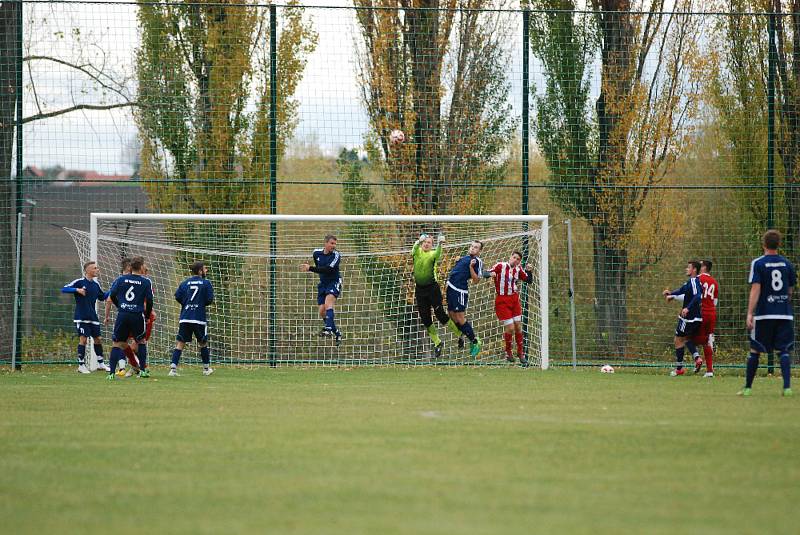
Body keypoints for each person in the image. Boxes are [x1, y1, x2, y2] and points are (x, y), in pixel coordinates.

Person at [739, 230, 796, 397]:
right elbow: (790, 289)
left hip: (764, 314)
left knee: (755, 350)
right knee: (783, 350)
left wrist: (750, 313)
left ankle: (748, 388)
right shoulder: (787, 264)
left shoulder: (758, 263)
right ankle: (787, 388)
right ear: (779, 244)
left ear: (763, 244)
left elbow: (756, 288)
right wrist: (783, 301)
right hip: (784, 314)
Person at [411, 233, 462, 358]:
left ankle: (459, 334)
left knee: (441, 315)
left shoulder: (433, 254)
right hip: (420, 290)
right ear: (422, 243)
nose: (426, 244)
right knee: (425, 319)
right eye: (425, 242)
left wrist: (440, 244)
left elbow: (438, 253)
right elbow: (413, 249)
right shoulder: (417, 252)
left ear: (432, 245)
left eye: (429, 242)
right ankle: (437, 343)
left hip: (432, 289)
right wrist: (418, 241)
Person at [106, 256, 154, 380]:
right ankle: (142, 370)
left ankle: (111, 373)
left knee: (117, 343)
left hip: (123, 314)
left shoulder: (121, 279)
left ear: (131, 267)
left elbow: (112, 295)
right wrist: (147, 316)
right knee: (141, 341)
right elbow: (149, 300)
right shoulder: (146, 282)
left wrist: (120, 306)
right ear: (141, 266)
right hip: (137, 315)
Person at [61, 261, 110, 373]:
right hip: (81, 317)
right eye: (95, 268)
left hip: (93, 317)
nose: (97, 270)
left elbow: (102, 297)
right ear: (88, 270)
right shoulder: (79, 282)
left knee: (98, 339)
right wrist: (76, 290)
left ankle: (101, 364)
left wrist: (114, 289)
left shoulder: (95, 285)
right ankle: (81, 365)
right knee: (83, 339)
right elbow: (64, 288)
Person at [486, 251, 533, 366]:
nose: (515, 260)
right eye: (514, 257)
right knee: (511, 328)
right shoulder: (500, 266)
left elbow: (528, 280)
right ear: (510, 257)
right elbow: (486, 273)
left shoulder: (519, 269)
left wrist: (529, 271)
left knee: (518, 326)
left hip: (514, 300)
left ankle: (521, 353)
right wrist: (489, 274)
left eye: (518, 259)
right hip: (502, 301)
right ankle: (508, 351)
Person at [170, 261, 214, 376]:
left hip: (185, 317)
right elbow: (209, 300)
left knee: (180, 343)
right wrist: (199, 303)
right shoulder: (206, 283)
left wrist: (187, 304)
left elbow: (178, 296)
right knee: (203, 342)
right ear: (200, 271)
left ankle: (173, 369)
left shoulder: (185, 283)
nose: (206, 271)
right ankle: (206, 369)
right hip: (198, 318)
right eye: (205, 269)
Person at [663, 260, 704, 376]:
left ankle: (679, 368)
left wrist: (687, 308)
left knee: (678, 340)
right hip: (695, 318)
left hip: (689, 318)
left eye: (688, 267)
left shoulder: (694, 282)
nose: (686, 269)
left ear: (694, 270)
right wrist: (671, 293)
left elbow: (698, 296)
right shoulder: (690, 282)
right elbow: (682, 290)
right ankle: (697, 358)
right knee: (685, 338)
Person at [301, 234, 343, 346]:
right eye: (332, 243)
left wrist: (310, 268)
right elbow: (319, 266)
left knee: (328, 303)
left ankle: (328, 329)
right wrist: (313, 268)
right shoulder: (316, 253)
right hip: (323, 284)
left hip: (334, 282)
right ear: (326, 243)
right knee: (321, 311)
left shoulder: (336, 255)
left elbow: (328, 270)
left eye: (335, 244)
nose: (333, 246)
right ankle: (337, 333)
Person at [446, 240, 484, 357]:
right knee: (451, 314)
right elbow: (456, 272)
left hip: (460, 291)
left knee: (460, 317)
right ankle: (462, 334)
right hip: (451, 288)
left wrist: (471, 267)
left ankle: (475, 342)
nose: (473, 248)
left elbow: (476, 280)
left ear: (480, 251)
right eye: (472, 246)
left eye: (476, 247)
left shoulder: (477, 261)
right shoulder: (464, 258)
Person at [693, 260, 719, 377]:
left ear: (703, 267)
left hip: (701, 313)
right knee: (707, 341)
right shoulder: (714, 282)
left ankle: (697, 358)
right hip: (712, 314)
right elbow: (715, 302)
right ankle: (709, 371)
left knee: (686, 337)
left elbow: (691, 296)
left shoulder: (698, 279)